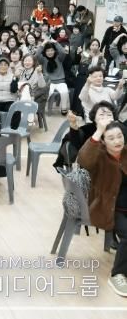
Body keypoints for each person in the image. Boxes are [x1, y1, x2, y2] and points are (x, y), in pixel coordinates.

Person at [77, 120, 127, 297]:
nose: (117, 141)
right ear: (104, 142)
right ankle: (117, 275)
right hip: (109, 209)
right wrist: (98, 132)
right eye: (111, 138)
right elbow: (83, 160)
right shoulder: (99, 156)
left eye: (119, 136)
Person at [37, 41, 69, 115]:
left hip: (60, 81)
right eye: (48, 51)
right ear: (45, 52)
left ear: (54, 51)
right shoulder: (43, 59)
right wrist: (42, 44)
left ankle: (64, 108)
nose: (50, 52)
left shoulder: (59, 58)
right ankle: (41, 108)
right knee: (48, 93)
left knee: (64, 91)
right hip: (48, 82)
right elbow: (37, 55)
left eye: (52, 50)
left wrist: (56, 43)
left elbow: (63, 52)